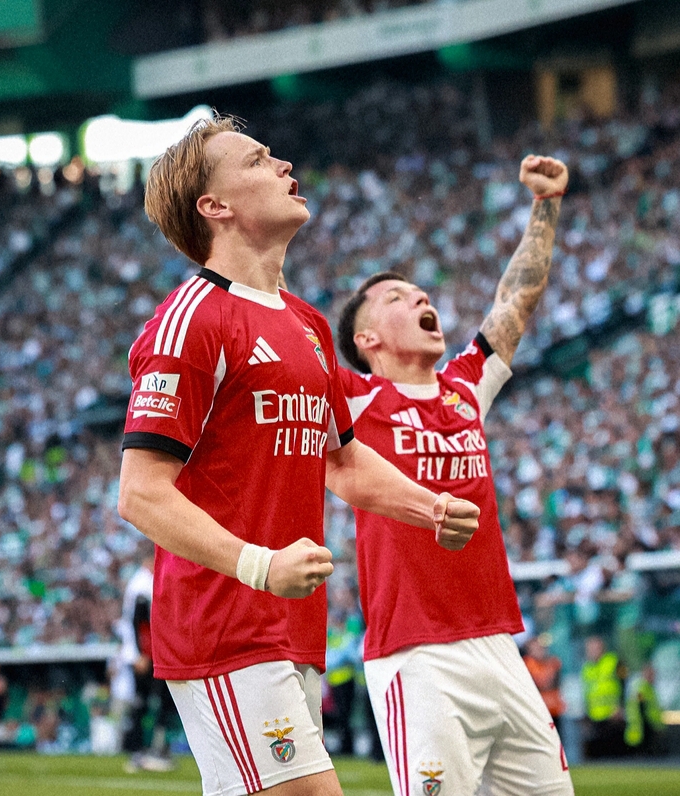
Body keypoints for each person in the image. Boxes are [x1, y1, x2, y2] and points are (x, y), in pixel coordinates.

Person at [117, 114, 480, 796]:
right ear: (214, 206)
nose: (283, 165)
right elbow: (140, 492)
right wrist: (260, 565)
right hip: (225, 622)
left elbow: (340, 460)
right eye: (257, 161)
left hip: (291, 624)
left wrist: (426, 504)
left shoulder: (307, 323)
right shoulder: (192, 317)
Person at [336, 154, 574, 795]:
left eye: (420, 292)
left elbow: (515, 300)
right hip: (417, 654)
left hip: (499, 642)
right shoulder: (352, 399)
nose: (419, 297)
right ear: (367, 340)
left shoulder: (466, 386)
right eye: (396, 297)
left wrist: (545, 206)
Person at [118, 552, 178, 772]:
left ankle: (148, 750)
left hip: (144, 651)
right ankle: (141, 751)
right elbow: (139, 623)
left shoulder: (140, 582)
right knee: (146, 702)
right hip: (146, 653)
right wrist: (142, 654)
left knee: (147, 702)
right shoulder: (143, 585)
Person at [580, 635, 627, 759]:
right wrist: (586, 714)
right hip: (595, 716)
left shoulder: (613, 661)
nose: (592, 651)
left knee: (614, 754)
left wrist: (621, 706)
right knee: (598, 756)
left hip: (613, 715)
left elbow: (624, 683)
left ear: (602, 648)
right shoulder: (586, 668)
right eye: (589, 648)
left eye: (595, 648)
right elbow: (587, 693)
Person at [522, 635, 566, 736]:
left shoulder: (553, 662)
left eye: (541, 647)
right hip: (537, 712)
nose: (540, 650)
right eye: (536, 648)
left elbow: (555, 683)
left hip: (554, 710)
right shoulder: (527, 665)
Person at [624, 661, 666, 756]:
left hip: (646, 731)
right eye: (650, 674)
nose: (653, 677)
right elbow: (641, 708)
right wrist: (651, 727)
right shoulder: (641, 689)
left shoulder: (649, 688)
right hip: (641, 732)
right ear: (644, 674)